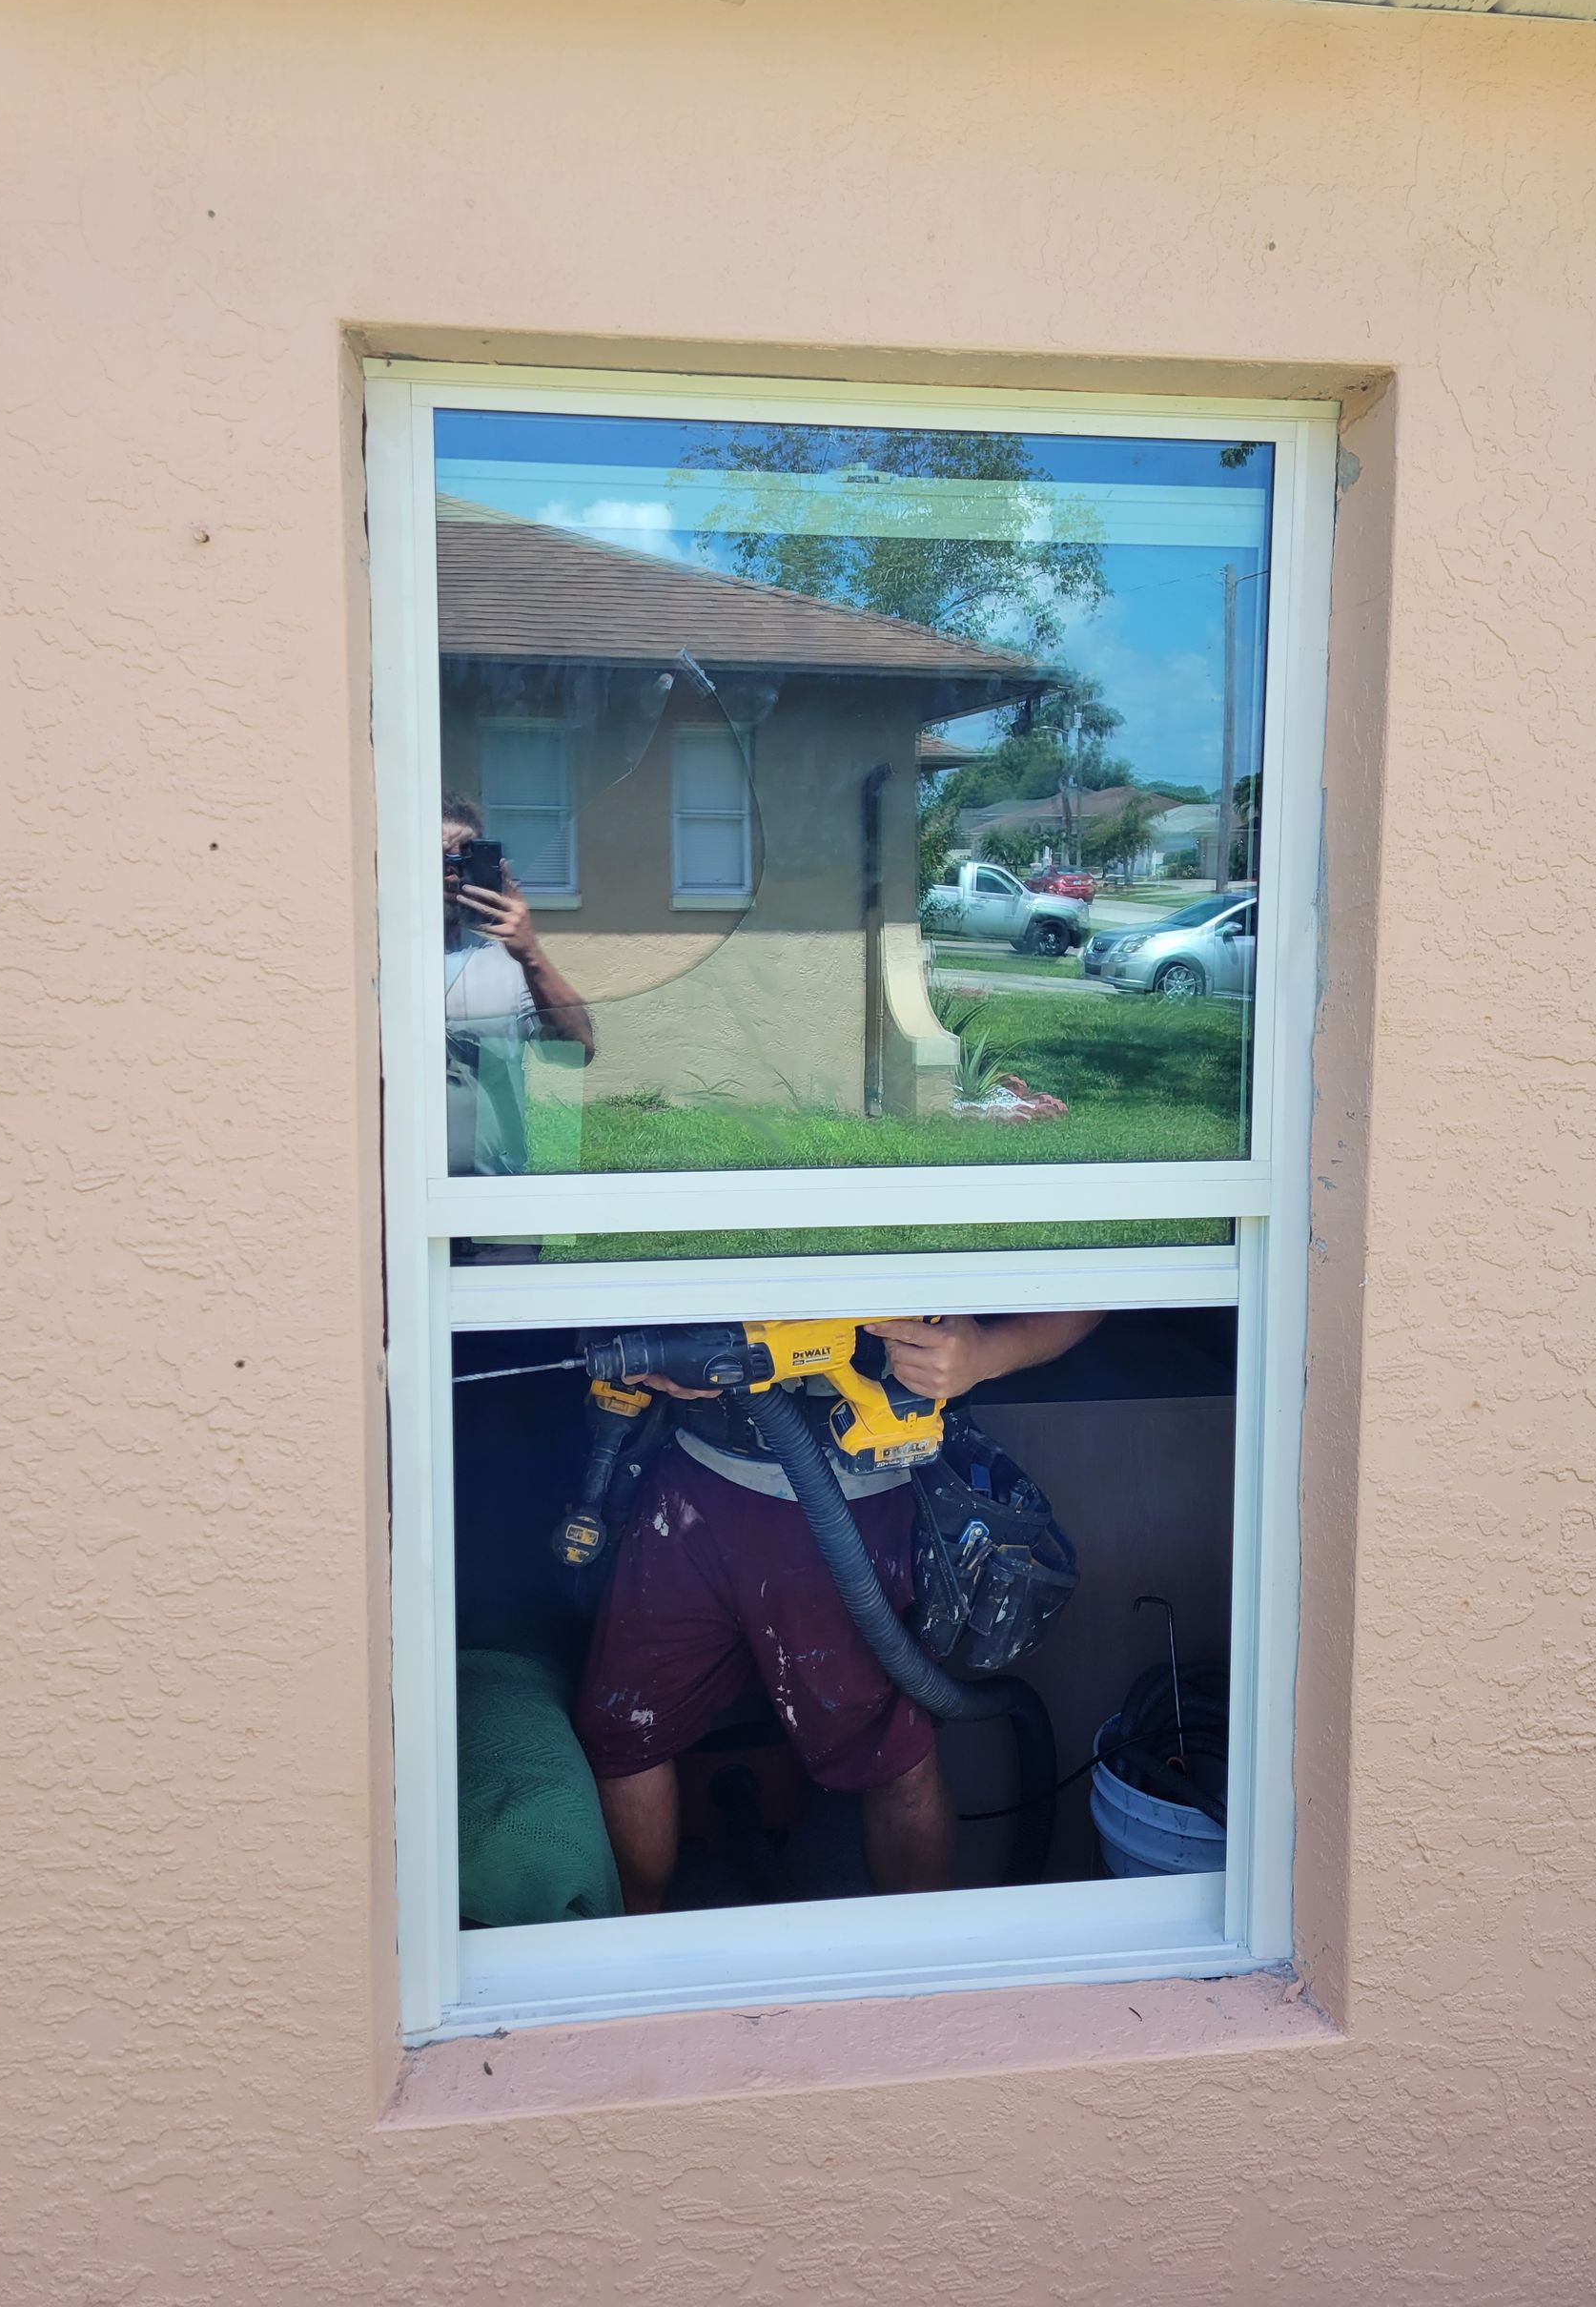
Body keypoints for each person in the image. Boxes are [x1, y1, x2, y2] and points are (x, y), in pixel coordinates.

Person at [572, 1311, 1105, 1912]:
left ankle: (920, 1968)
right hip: (691, 1470)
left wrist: (988, 1351)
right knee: (621, 1731)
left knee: (888, 1753)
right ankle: (632, 1959)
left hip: (853, 1500)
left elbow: (1112, 1268)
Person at [441, 791, 594, 1175]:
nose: (453, 873)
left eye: (468, 857)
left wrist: (531, 955)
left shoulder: (506, 964)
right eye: (442, 857)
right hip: (395, 1209)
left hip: (497, 1196)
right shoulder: (371, 965)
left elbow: (577, 1050)